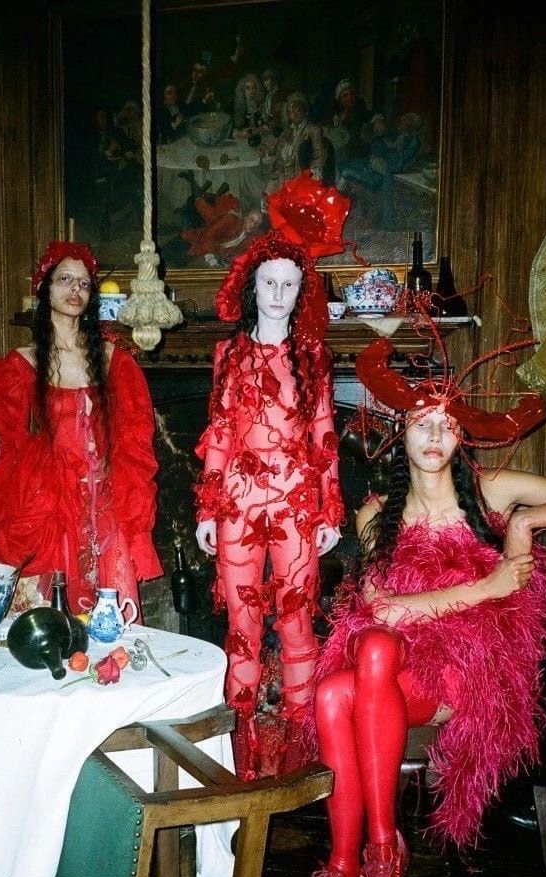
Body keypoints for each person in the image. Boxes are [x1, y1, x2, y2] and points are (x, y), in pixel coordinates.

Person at [287, 332, 546, 877]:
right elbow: (383, 607)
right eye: (420, 424)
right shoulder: (377, 511)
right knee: (348, 677)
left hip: (463, 670)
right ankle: (363, 861)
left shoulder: (491, 491)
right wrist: (485, 588)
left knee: (353, 676)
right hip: (391, 666)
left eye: (445, 426)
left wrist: (525, 523)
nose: (433, 438)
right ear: (399, 435)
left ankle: (363, 863)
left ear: (461, 437)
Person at [194, 175, 351, 779]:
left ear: (298, 291)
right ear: (252, 287)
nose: (280, 294)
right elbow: (218, 435)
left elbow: (324, 438)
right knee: (241, 626)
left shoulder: (312, 357)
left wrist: (330, 513)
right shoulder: (229, 355)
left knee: (295, 624)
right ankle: (242, 756)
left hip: (296, 507)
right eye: (270, 283)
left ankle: (295, 753)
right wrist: (208, 511)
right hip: (235, 505)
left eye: (290, 284)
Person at [0, 241, 163, 614]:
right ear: (46, 289)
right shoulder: (22, 364)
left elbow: (134, 440)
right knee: (50, 623)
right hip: (50, 506)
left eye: (84, 284)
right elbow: (14, 447)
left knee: (109, 626)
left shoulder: (112, 360)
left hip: (103, 505)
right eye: (65, 280)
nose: (75, 290)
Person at [265, 93, 336, 202]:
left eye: (296, 109)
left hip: (300, 178)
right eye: (289, 111)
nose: (293, 113)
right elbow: (277, 151)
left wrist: (311, 177)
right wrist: (267, 149)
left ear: (304, 109)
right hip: (282, 177)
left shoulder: (313, 130)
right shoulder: (287, 132)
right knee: (268, 200)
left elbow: (319, 156)